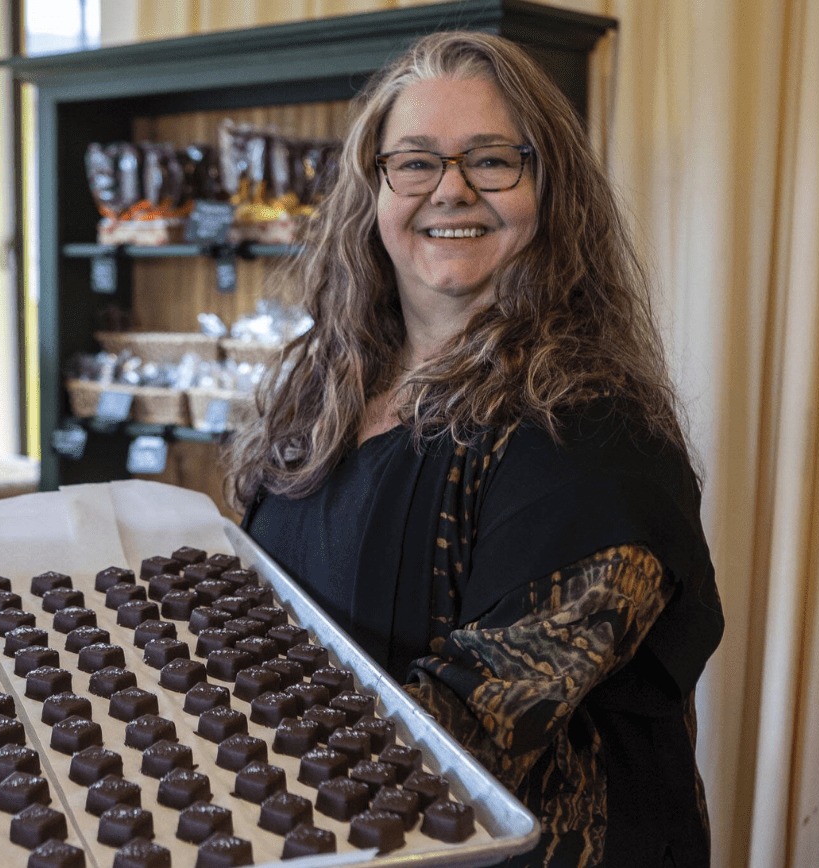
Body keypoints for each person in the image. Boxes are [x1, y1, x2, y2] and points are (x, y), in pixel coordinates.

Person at [227, 31, 725, 868]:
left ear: (549, 188)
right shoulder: (323, 395)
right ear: (374, 190)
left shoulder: (592, 437)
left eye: (493, 160)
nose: (449, 191)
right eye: (415, 163)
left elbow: (467, 731)